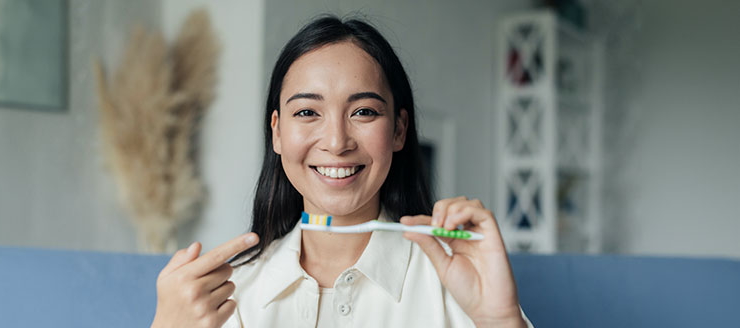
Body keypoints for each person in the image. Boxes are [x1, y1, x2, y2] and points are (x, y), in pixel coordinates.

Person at [152, 15, 533, 328]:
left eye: (363, 111)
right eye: (307, 112)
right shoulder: (226, 297)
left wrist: (499, 319)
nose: (336, 142)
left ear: (399, 129)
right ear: (278, 131)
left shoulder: (457, 285)